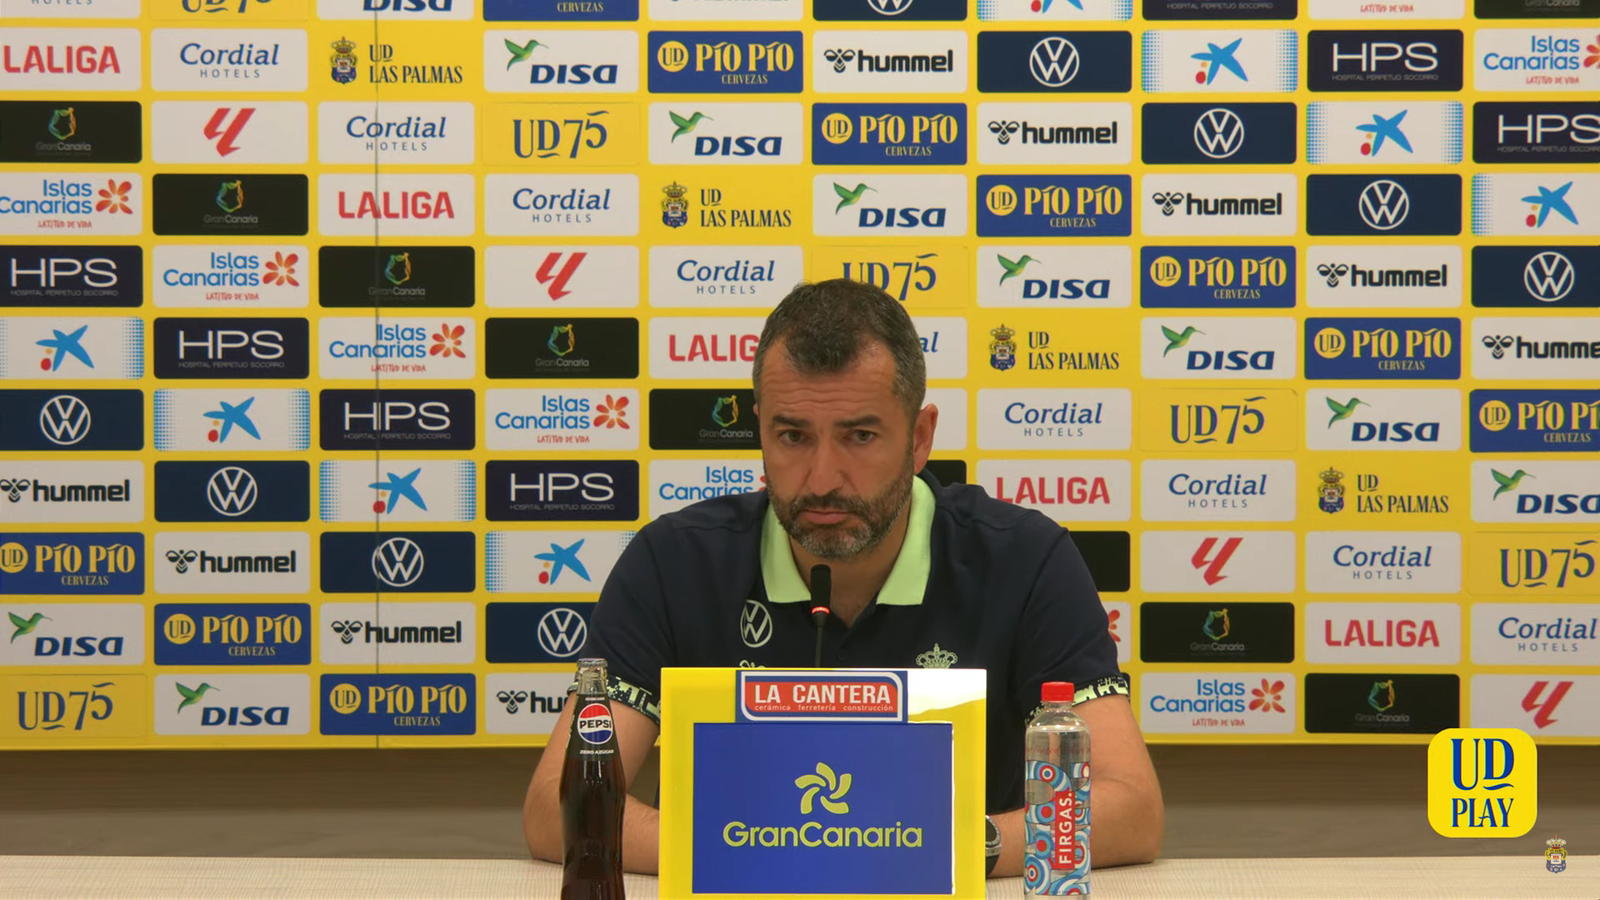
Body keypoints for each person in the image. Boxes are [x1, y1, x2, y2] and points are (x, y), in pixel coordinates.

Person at [522, 278, 1165, 876]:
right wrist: (778, 856)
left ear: (918, 438)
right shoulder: (674, 563)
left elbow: (1131, 808)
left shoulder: (1024, 561)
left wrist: (943, 848)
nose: (823, 477)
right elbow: (560, 806)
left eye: (859, 436)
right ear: (760, 434)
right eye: (793, 436)